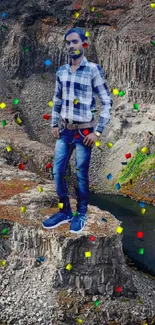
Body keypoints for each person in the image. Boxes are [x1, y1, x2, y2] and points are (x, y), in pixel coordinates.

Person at [42, 27, 113, 233]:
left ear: (84, 44)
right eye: (68, 42)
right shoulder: (61, 71)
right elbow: (57, 99)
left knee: (82, 174)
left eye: (75, 41)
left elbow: (107, 100)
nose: (71, 45)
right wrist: (54, 123)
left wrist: (97, 132)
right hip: (65, 131)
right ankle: (65, 211)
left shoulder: (93, 70)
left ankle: (81, 214)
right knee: (58, 171)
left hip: (84, 133)